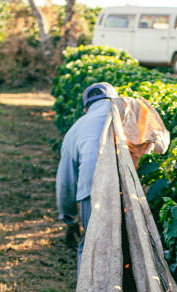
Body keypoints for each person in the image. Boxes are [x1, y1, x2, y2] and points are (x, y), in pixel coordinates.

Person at [56, 81, 118, 273]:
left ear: (85, 108)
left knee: (92, 247)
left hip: (92, 190)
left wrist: (70, 219)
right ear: (114, 100)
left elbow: (65, 181)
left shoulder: (76, 129)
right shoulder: (127, 114)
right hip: (129, 190)